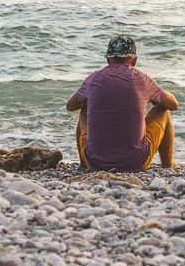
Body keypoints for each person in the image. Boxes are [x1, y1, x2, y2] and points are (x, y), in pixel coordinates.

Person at [66, 35, 178, 171]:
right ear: (134, 60)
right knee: (163, 110)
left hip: (95, 163)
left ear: (108, 59)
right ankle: (168, 165)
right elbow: (173, 105)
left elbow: (71, 106)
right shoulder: (142, 79)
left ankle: (84, 164)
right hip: (136, 163)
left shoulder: (93, 79)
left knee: (84, 107)